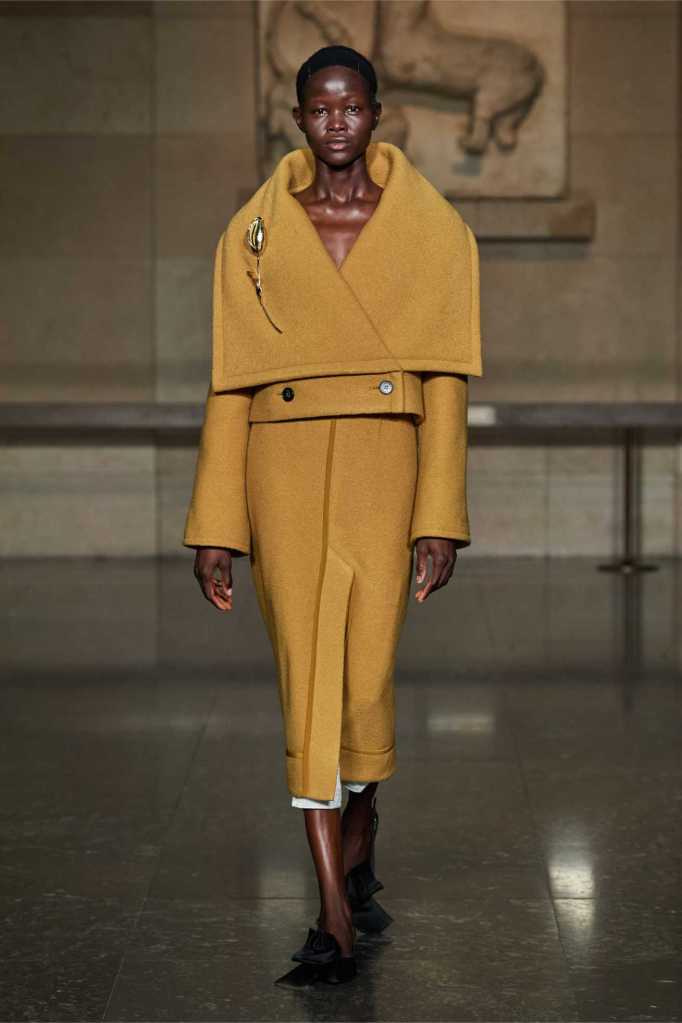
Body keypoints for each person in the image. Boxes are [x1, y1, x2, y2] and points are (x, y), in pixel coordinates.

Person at [183, 44, 483, 986]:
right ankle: (333, 919)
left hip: (386, 463)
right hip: (280, 464)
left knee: (363, 684)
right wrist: (217, 525)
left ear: (377, 114)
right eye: (321, 109)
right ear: (300, 118)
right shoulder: (255, 232)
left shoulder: (431, 228)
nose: (337, 123)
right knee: (309, 680)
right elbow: (230, 384)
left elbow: (445, 381)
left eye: (352, 107)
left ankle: (363, 834)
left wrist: (439, 513)